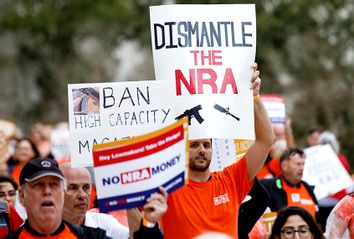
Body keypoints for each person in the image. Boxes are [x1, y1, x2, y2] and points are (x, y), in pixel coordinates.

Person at [157, 63, 275, 238]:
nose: (202, 150)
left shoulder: (231, 180)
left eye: (206, 145)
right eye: (194, 145)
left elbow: (266, 140)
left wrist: (255, 97)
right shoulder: (167, 187)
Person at [5, 156, 111, 238]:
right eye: (38, 185)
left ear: (63, 192)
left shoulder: (94, 236)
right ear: (22, 196)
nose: (47, 191)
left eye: (54, 185)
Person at [60, 164, 129, 238]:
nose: (82, 195)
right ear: (57, 191)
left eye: (86, 188)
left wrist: (132, 200)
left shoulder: (104, 223)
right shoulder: (47, 228)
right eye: (73, 188)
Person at [261, 148, 319, 220]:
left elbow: (319, 219)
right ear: (284, 166)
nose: (302, 168)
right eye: (298, 164)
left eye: (303, 164)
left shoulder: (308, 188)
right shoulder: (269, 187)